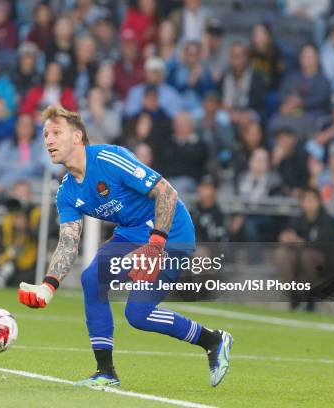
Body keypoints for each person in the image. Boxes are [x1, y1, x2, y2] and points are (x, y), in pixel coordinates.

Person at [17, 105, 232, 388]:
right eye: (45, 134)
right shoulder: (66, 191)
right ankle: (106, 372)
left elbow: (167, 192)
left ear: (78, 137)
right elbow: (69, 241)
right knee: (92, 279)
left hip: (171, 232)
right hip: (130, 234)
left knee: (137, 314)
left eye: (56, 132)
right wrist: (48, 285)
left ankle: (213, 340)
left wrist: (156, 245)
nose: (48, 140)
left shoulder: (110, 158)